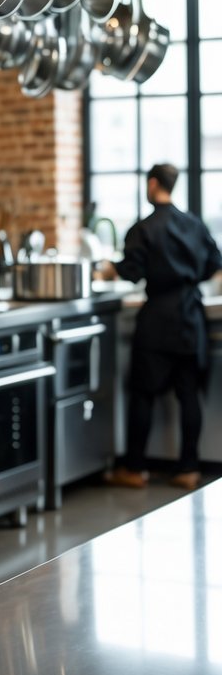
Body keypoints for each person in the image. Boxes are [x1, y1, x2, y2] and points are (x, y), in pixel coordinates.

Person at [100, 162, 222, 491]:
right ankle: (188, 468)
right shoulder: (194, 224)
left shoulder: (143, 228)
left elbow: (132, 271)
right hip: (190, 316)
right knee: (189, 394)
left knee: (143, 393)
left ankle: (135, 469)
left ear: (153, 184)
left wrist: (109, 269)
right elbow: (214, 262)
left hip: (157, 317)